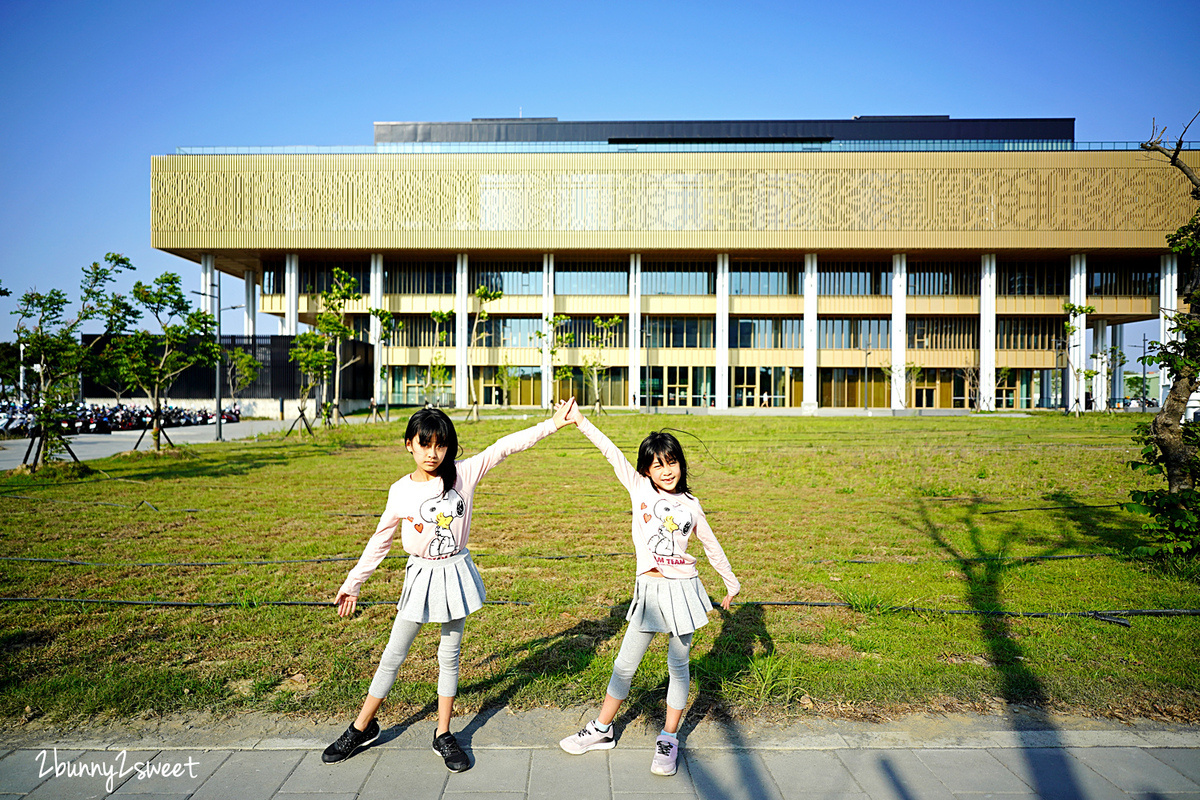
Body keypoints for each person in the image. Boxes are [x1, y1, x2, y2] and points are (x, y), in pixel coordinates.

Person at [322, 400, 576, 770]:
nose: (433, 453)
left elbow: (505, 446)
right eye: (424, 444)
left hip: (455, 571)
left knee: (449, 655)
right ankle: (362, 726)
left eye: (440, 445)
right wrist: (353, 582)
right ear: (408, 443)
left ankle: (443, 733)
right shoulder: (401, 491)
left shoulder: (463, 474)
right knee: (394, 653)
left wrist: (551, 425)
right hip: (421, 574)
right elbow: (381, 540)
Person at [558, 407, 740, 776]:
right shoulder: (639, 487)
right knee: (625, 664)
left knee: (678, 666)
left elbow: (709, 543)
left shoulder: (691, 504)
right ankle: (602, 728)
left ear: (680, 464)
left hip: (684, 592)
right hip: (649, 591)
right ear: (646, 471)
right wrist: (582, 422)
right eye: (658, 465)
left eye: (671, 462)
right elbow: (611, 452)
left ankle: (669, 738)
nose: (666, 470)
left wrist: (730, 581)